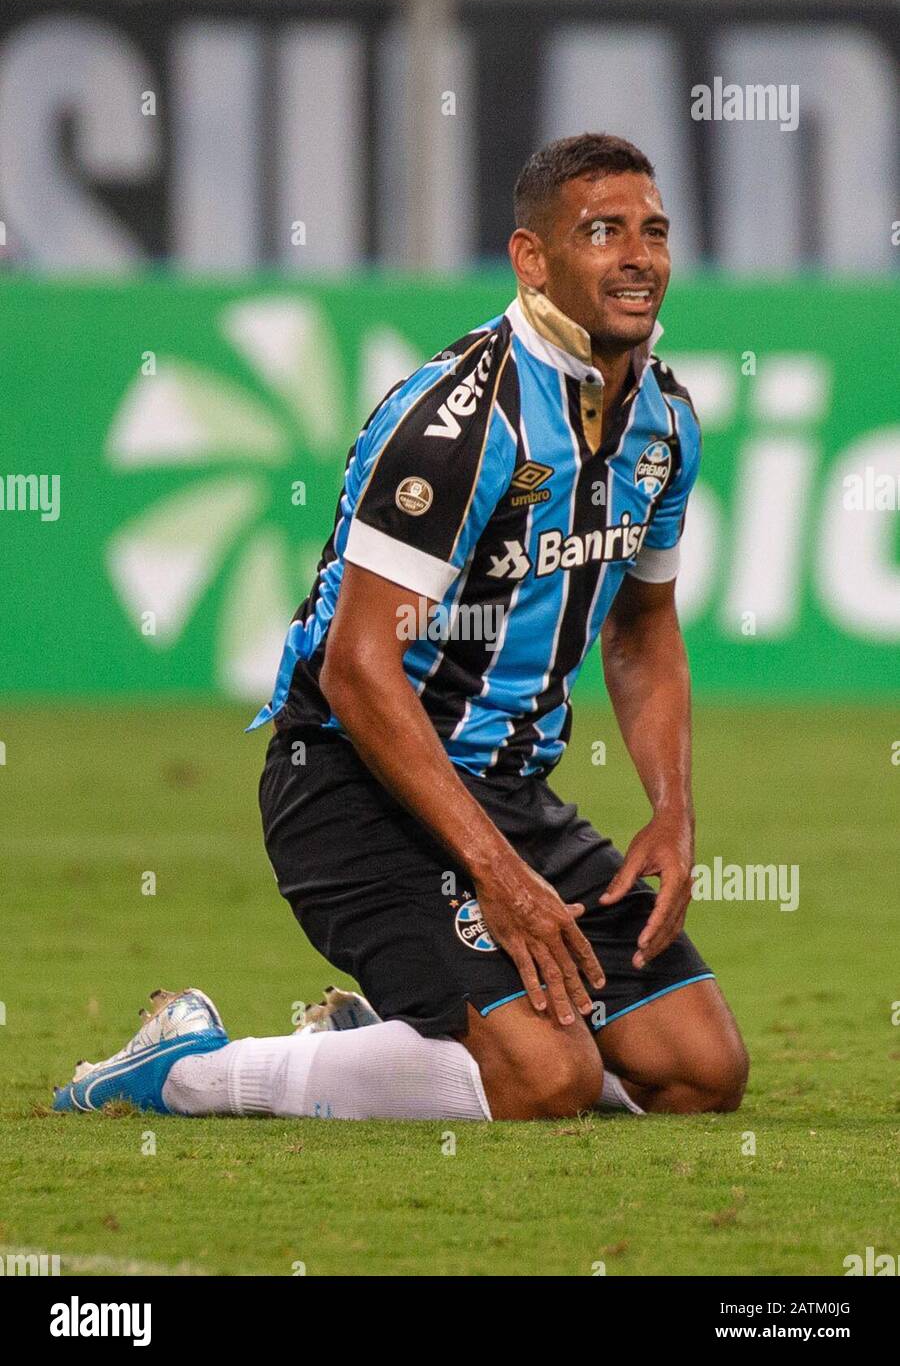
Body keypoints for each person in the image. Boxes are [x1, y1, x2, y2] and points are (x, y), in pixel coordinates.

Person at [54, 133, 748, 1123]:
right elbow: (357, 669)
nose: (638, 256)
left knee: (698, 1072)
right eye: (603, 232)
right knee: (545, 1080)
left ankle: (399, 1034)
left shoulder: (666, 422)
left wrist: (674, 813)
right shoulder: (462, 422)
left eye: (653, 231)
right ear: (533, 258)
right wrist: (497, 877)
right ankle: (181, 1067)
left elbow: (642, 629)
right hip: (352, 785)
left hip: (509, 794)